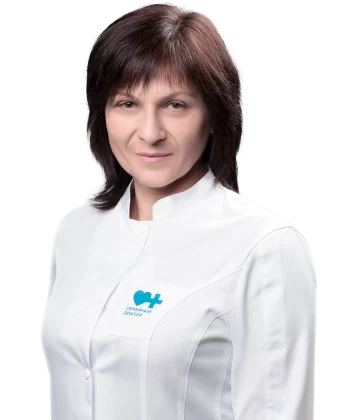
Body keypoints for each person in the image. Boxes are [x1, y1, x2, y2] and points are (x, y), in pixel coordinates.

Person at [39, 3, 317, 420]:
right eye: (127, 104)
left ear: (214, 115)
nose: (150, 133)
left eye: (175, 105)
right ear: (102, 114)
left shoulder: (264, 249)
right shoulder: (74, 232)